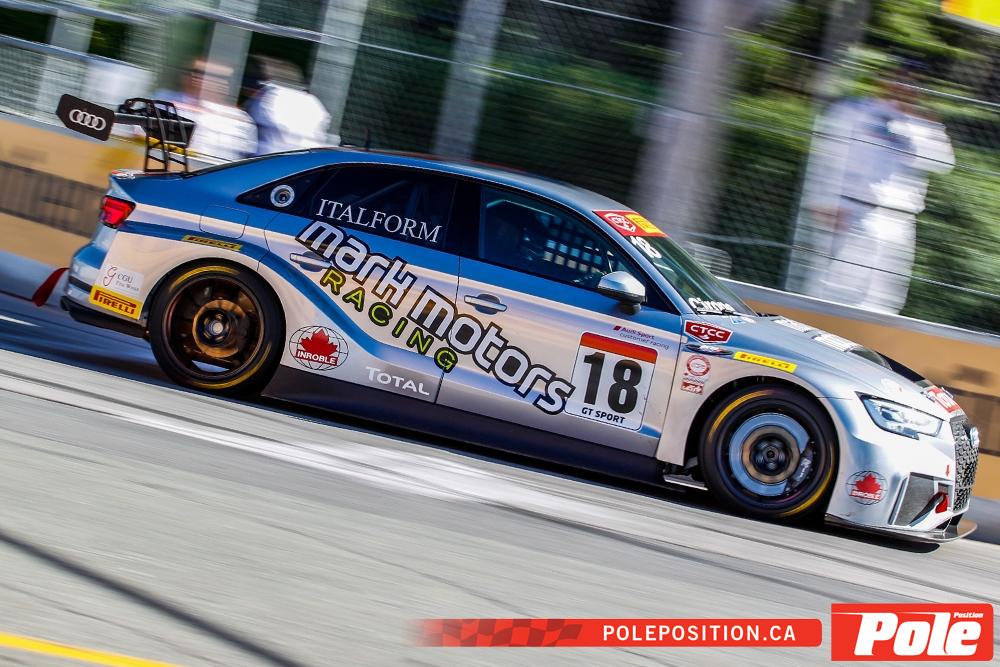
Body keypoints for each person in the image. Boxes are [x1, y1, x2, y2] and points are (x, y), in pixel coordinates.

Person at [792, 68, 954, 314]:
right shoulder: (853, 110)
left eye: (911, 83)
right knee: (836, 286)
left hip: (898, 219)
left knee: (884, 296)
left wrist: (922, 126)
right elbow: (828, 155)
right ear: (882, 81)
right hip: (850, 209)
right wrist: (823, 199)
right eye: (897, 80)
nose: (903, 87)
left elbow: (942, 163)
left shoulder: (921, 124)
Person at [151, 58, 256, 162]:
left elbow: (246, 160)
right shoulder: (163, 100)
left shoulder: (240, 120)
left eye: (206, 74)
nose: (196, 77)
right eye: (193, 72)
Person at [242, 56, 331, 155]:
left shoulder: (270, 97)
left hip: (272, 158)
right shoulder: (314, 102)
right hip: (308, 158)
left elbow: (248, 119)